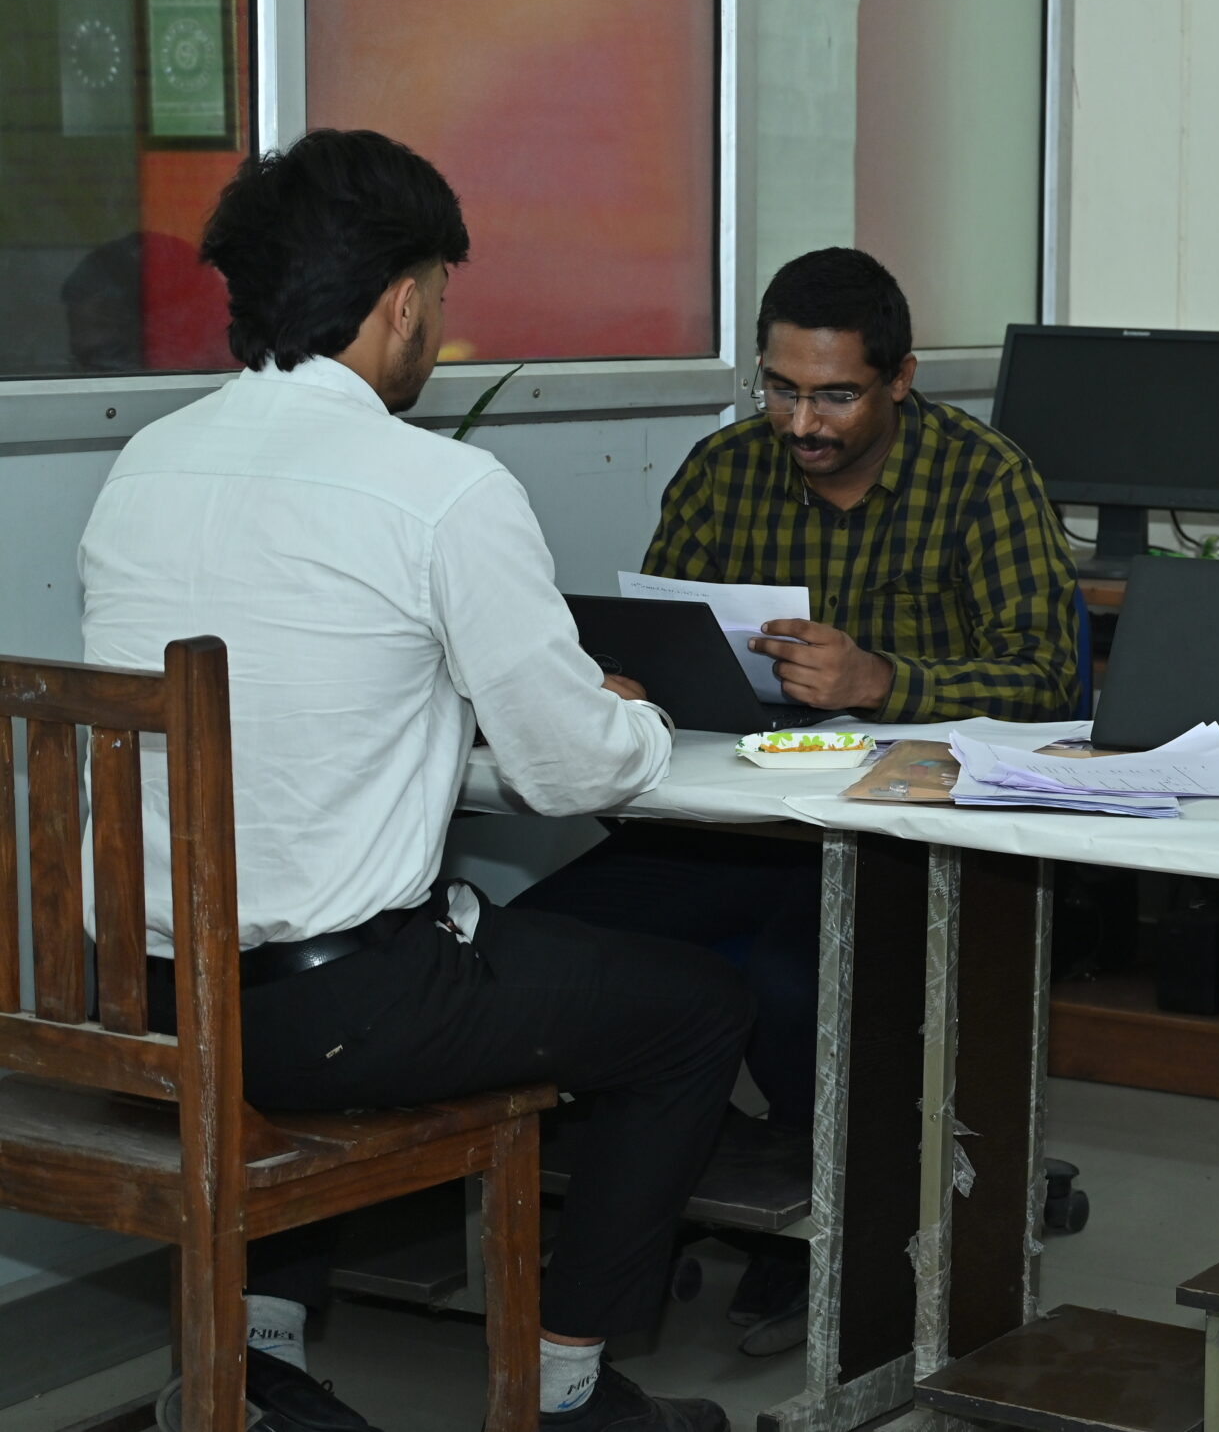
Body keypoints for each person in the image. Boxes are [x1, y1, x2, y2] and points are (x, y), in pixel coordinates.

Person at [79, 130, 751, 1432]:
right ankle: (567, 1387)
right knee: (693, 1010)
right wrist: (640, 718)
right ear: (400, 299)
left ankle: (263, 1362)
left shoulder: (145, 464)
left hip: (147, 1006)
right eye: (440, 291)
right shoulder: (439, 487)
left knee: (361, 947)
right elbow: (566, 766)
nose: (439, 321)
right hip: (327, 1015)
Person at [514, 246, 1081, 1351]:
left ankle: (837, 1225)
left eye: (836, 395)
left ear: (901, 379)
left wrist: (882, 679)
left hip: (894, 841)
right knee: (543, 943)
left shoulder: (984, 477)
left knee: (793, 981)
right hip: (727, 826)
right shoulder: (724, 469)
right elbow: (659, 629)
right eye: (780, 388)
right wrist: (626, 679)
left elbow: (1049, 678)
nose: (802, 422)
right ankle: (650, 1189)